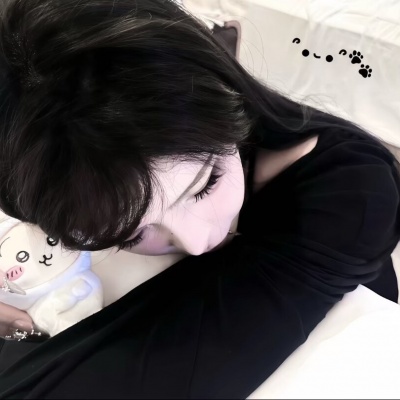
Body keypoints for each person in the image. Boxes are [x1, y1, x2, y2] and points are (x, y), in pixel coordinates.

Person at [0, 0, 399, 397]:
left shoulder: (352, 192)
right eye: (131, 234)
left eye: (206, 184)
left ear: (226, 89)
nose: (196, 242)